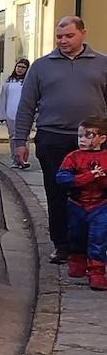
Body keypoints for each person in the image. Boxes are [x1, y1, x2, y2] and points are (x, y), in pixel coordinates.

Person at [13, 16, 107, 263]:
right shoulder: (41, 66)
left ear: (83, 34)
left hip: (94, 142)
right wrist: (19, 141)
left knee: (96, 193)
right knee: (56, 193)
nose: (63, 40)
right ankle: (62, 244)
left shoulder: (102, 64)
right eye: (59, 36)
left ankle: (92, 245)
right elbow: (26, 105)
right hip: (52, 138)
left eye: (69, 36)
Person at [56, 117, 107, 290]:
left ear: (102, 138)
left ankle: (97, 272)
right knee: (76, 235)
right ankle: (77, 258)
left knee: (98, 237)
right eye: (80, 136)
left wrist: (101, 179)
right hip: (76, 204)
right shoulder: (73, 157)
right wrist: (87, 177)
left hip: (100, 205)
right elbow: (62, 178)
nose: (82, 140)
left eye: (88, 135)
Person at [0, 58, 31, 167]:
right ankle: (15, 159)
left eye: (23, 67)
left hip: (24, 114)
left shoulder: (29, 82)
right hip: (10, 113)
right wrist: (1, 114)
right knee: (13, 137)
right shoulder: (9, 81)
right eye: (18, 66)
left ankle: (24, 160)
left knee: (24, 137)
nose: (20, 69)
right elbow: (3, 98)